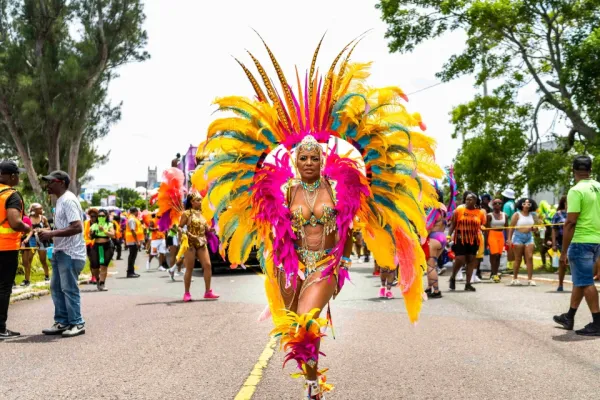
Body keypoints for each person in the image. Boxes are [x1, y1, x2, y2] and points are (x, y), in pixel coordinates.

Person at [195, 40, 440, 399]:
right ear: (295, 161)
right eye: (303, 158)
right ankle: (312, 383)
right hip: (289, 267)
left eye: (314, 157)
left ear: (322, 159)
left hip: (326, 265)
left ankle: (312, 387)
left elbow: (377, 203)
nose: (309, 162)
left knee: (308, 320)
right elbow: (251, 206)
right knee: (296, 330)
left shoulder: (342, 191)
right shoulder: (285, 192)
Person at [553, 155, 600, 336]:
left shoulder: (576, 190)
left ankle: (597, 323)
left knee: (585, 282)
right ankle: (569, 316)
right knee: (580, 280)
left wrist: (564, 251)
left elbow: (570, 222)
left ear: (573, 171)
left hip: (581, 241)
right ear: (590, 170)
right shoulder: (598, 187)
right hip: (597, 240)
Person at [39, 171, 87, 337]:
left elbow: (77, 227)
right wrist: (49, 231)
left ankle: (77, 323)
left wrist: (51, 234)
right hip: (62, 252)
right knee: (57, 288)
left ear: (61, 182)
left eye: (50, 182)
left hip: (71, 254)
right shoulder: (61, 200)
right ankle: (62, 321)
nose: (47, 185)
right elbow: (66, 226)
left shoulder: (67, 200)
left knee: (68, 288)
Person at [0, 161, 31, 339]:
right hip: (5, 248)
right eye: (17, 175)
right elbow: (14, 222)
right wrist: (27, 229)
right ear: (11, 176)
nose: (18, 178)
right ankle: (1, 328)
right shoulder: (11, 195)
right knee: (3, 288)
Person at [179, 194, 219, 301]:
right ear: (192, 202)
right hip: (190, 243)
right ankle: (187, 293)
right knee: (190, 268)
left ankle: (208, 292)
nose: (200, 202)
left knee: (207, 265)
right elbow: (179, 228)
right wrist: (190, 235)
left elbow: (206, 228)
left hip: (201, 242)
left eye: (200, 200)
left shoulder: (202, 214)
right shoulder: (186, 214)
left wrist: (211, 230)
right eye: (197, 200)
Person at [448, 192, 486, 292]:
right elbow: (453, 224)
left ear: (475, 201)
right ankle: (453, 277)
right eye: (467, 199)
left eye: (470, 199)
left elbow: (482, 224)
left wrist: (482, 228)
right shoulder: (459, 209)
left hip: (474, 238)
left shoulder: (480, 213)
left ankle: (468, 284)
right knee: (460, 258)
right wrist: (449, 235)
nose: (467, 201)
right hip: (460, 237)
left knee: (471, 260)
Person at [507, 198, 539, 286]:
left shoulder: (533, 215)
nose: (527, 205)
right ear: (521, 204)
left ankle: (530, 279)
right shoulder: (517, 215)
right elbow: (511, 227)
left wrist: (535, 229)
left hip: (529, 237)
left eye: (529, 204)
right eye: (525, 203)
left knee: (529, 257)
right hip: (518, 237)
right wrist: (509, 239)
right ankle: (515, 278)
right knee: (518, 258)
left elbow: (537, 227)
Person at [89, 209, 115, 291]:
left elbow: (113, 235)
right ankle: (97, 280)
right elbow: (90, 236)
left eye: (103, 216)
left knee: (103, 265)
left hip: (106, 246)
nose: (101, 217)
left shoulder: (109, 224)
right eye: (99, 216)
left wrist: (104, 230)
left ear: (106, 216)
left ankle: (102, 283)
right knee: (95, 266)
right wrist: (92, 233)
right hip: (97, 246)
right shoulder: (94, 225)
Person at [486, 199, 508, 282]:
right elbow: (486, 229)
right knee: (494, 254)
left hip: (500, 235)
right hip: (492, 234)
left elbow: (507, 227)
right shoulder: (489, 215)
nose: (497, 204)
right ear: (492, 205)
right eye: (495, 203)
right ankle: (494, 274)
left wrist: (508, 238)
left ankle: (494, 272)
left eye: (499, 203)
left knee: (499, 255)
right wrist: (486, 241)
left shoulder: (504, 215)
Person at [552, 196, 568, 291]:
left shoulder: (577, 213)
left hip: (576, 240)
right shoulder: (558, 214)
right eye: (567, 203)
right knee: (562, 263)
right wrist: (554, 243)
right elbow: (554, 229)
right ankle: (560, 284)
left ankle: (577, 285)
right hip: (562, 241)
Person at [124, 207, 142, 278]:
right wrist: (137, 241)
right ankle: (130, 272)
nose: (138, 213)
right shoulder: (132, 219)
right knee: (132, 256)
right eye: (137, 212)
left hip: (133, 240)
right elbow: (133, 230)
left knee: (133, 256)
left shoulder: (132, 218)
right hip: (133, 240)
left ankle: (131, 271)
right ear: (135, 212)